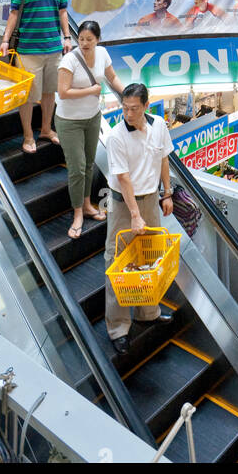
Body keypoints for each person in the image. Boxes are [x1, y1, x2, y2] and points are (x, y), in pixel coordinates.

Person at [104, 82, 175, 356]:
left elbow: (164, 160)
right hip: (124, 203)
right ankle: (118, 327)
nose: (128, 114)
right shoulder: (117, 137)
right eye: (125, 108)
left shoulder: (159, 126)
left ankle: (148, 312)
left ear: (146, 106)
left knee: (150, 257)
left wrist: (166, 194)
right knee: (117, 261)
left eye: (134, 108)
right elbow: (123, 179)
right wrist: (134, 215)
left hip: (150, 199)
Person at [0, 0, 72, 155]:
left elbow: (62, 12)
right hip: (28, 51)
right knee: (28, 96)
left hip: (53, 49)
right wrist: (5, 40)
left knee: (50, 92)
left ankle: (47, 129)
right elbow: (13, 13)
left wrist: (67, 37)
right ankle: (28, 135)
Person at [57, 20, 125, 240]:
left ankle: (86, 204)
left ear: (98, 39)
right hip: (69, 122)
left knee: (87, 164)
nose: (84, 43)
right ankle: (77, 213)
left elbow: (112, 77)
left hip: (92, 118)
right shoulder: (69, 60)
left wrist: (129, 94)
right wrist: (91, 89)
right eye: (82, 39)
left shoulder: (103, 54)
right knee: (76, 168)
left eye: (89, 39)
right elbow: (63, 92)